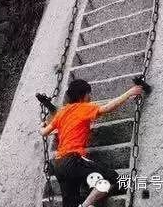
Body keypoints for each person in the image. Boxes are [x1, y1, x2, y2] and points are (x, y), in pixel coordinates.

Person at [41, 78, 144, 207]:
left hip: (58, 165)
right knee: (111, 178)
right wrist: (129, 93)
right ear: (82, 95)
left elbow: (44, 132)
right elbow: (107, 108)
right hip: (72, 160)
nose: (90, 96)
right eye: (89, 93)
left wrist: (42, 125)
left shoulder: (62, 112)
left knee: (70, 204)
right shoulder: (83, 108)